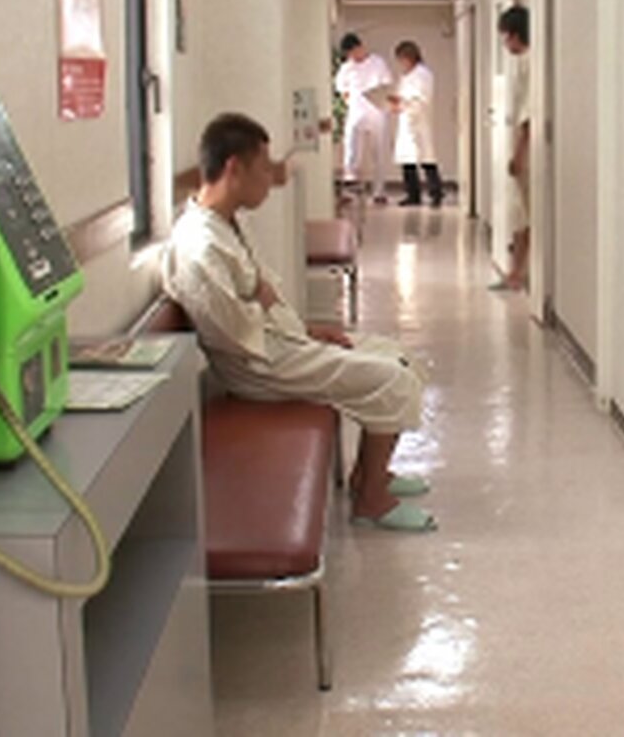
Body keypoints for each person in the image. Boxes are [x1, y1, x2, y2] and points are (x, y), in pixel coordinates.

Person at [161, 112, 436, 532]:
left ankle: (370, 475)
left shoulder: (228, 221)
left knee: (400, 358)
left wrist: (304, 330)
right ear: (234, 169)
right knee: (392, 380)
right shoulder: (200, 246)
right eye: (263, 169)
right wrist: (270, 310)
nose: (271, 180)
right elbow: (232, 332)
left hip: (279, 343)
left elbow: (261, 300)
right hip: (259, 366)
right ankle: (371, 502)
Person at [491, 5, 530, 291]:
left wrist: (519, 154)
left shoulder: (531, 64)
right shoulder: (522, 63)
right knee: (518, 214)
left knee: (523, 215)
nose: (505, 44)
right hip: (521, 148)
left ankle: (517, 274)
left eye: (505, 37)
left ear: (515, 35)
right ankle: (515, 272)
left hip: (526, 153)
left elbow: (528, 117)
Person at [334, 33, 392, 203]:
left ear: (360, 47)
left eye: (354, 52)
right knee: (351, 150)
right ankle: (349, 189)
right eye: (349, 55)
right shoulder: (346, 68)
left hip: (377, 112)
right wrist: (350, 101)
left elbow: (387, 85)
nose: (353, 57)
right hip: (356, 111)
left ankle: (379, 192)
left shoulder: (378, 63)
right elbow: (341, 89)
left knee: (378, 153)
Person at [389, 40, 443, 207]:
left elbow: (421, 97)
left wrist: (404, 102)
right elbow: (400, 94)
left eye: (402, 59)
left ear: (410, 57)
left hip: (419, 120)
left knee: (426, 158)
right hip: (406, 120)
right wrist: (396, 103)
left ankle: (436, 192)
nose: (401, 63)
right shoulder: (406, 76)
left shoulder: (423, 74)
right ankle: (413, 194)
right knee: (407, 159)